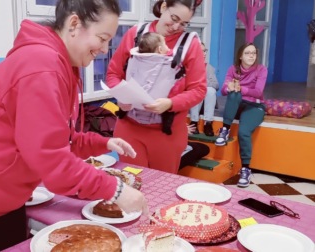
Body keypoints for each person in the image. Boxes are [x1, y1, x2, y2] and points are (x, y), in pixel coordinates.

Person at [0, 1, 148, 251]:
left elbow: (55, 138)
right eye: (102, 37)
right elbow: (52, 162)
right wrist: (115, 189)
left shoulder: (62, 64)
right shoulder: (42, 64)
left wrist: (101, 143)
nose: (105, 48)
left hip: (0, 195)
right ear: (74, 24)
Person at [106, 0, 206, 174]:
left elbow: (198, 90)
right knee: (132, 183)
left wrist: (170, 103)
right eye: (174, 18)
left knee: (161, 188)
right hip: (129, 128)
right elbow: (113, 74)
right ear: (164, 7)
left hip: (167, 134)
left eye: (183, 23)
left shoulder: (190, 44)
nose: (176, 27)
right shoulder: (135, 34)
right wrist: (122, 97)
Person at [215, 42, 268, 188]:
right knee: (233, 93)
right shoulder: (233, 69)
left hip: (255, 106)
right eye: (247, 53)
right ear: (240, 56)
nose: (251, 56)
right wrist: (229, 87)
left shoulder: (261, 70)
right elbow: (224, 90)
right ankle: (225, 130)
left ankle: (246, 169)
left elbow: (258, 92)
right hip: (237, 104)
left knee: (244, 132)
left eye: (253, 53)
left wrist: (241, 88)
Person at [189, 42, 219, 136]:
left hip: (207, 102)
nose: (205, 53)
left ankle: (208, 123)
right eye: (201, 51)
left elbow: (216, 85)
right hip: (193, 102)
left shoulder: (209, 68)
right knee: (195, 89)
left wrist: (203, 84)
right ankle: (194, 122)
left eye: (205, 51)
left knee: (210, 90)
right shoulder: (188, 67)